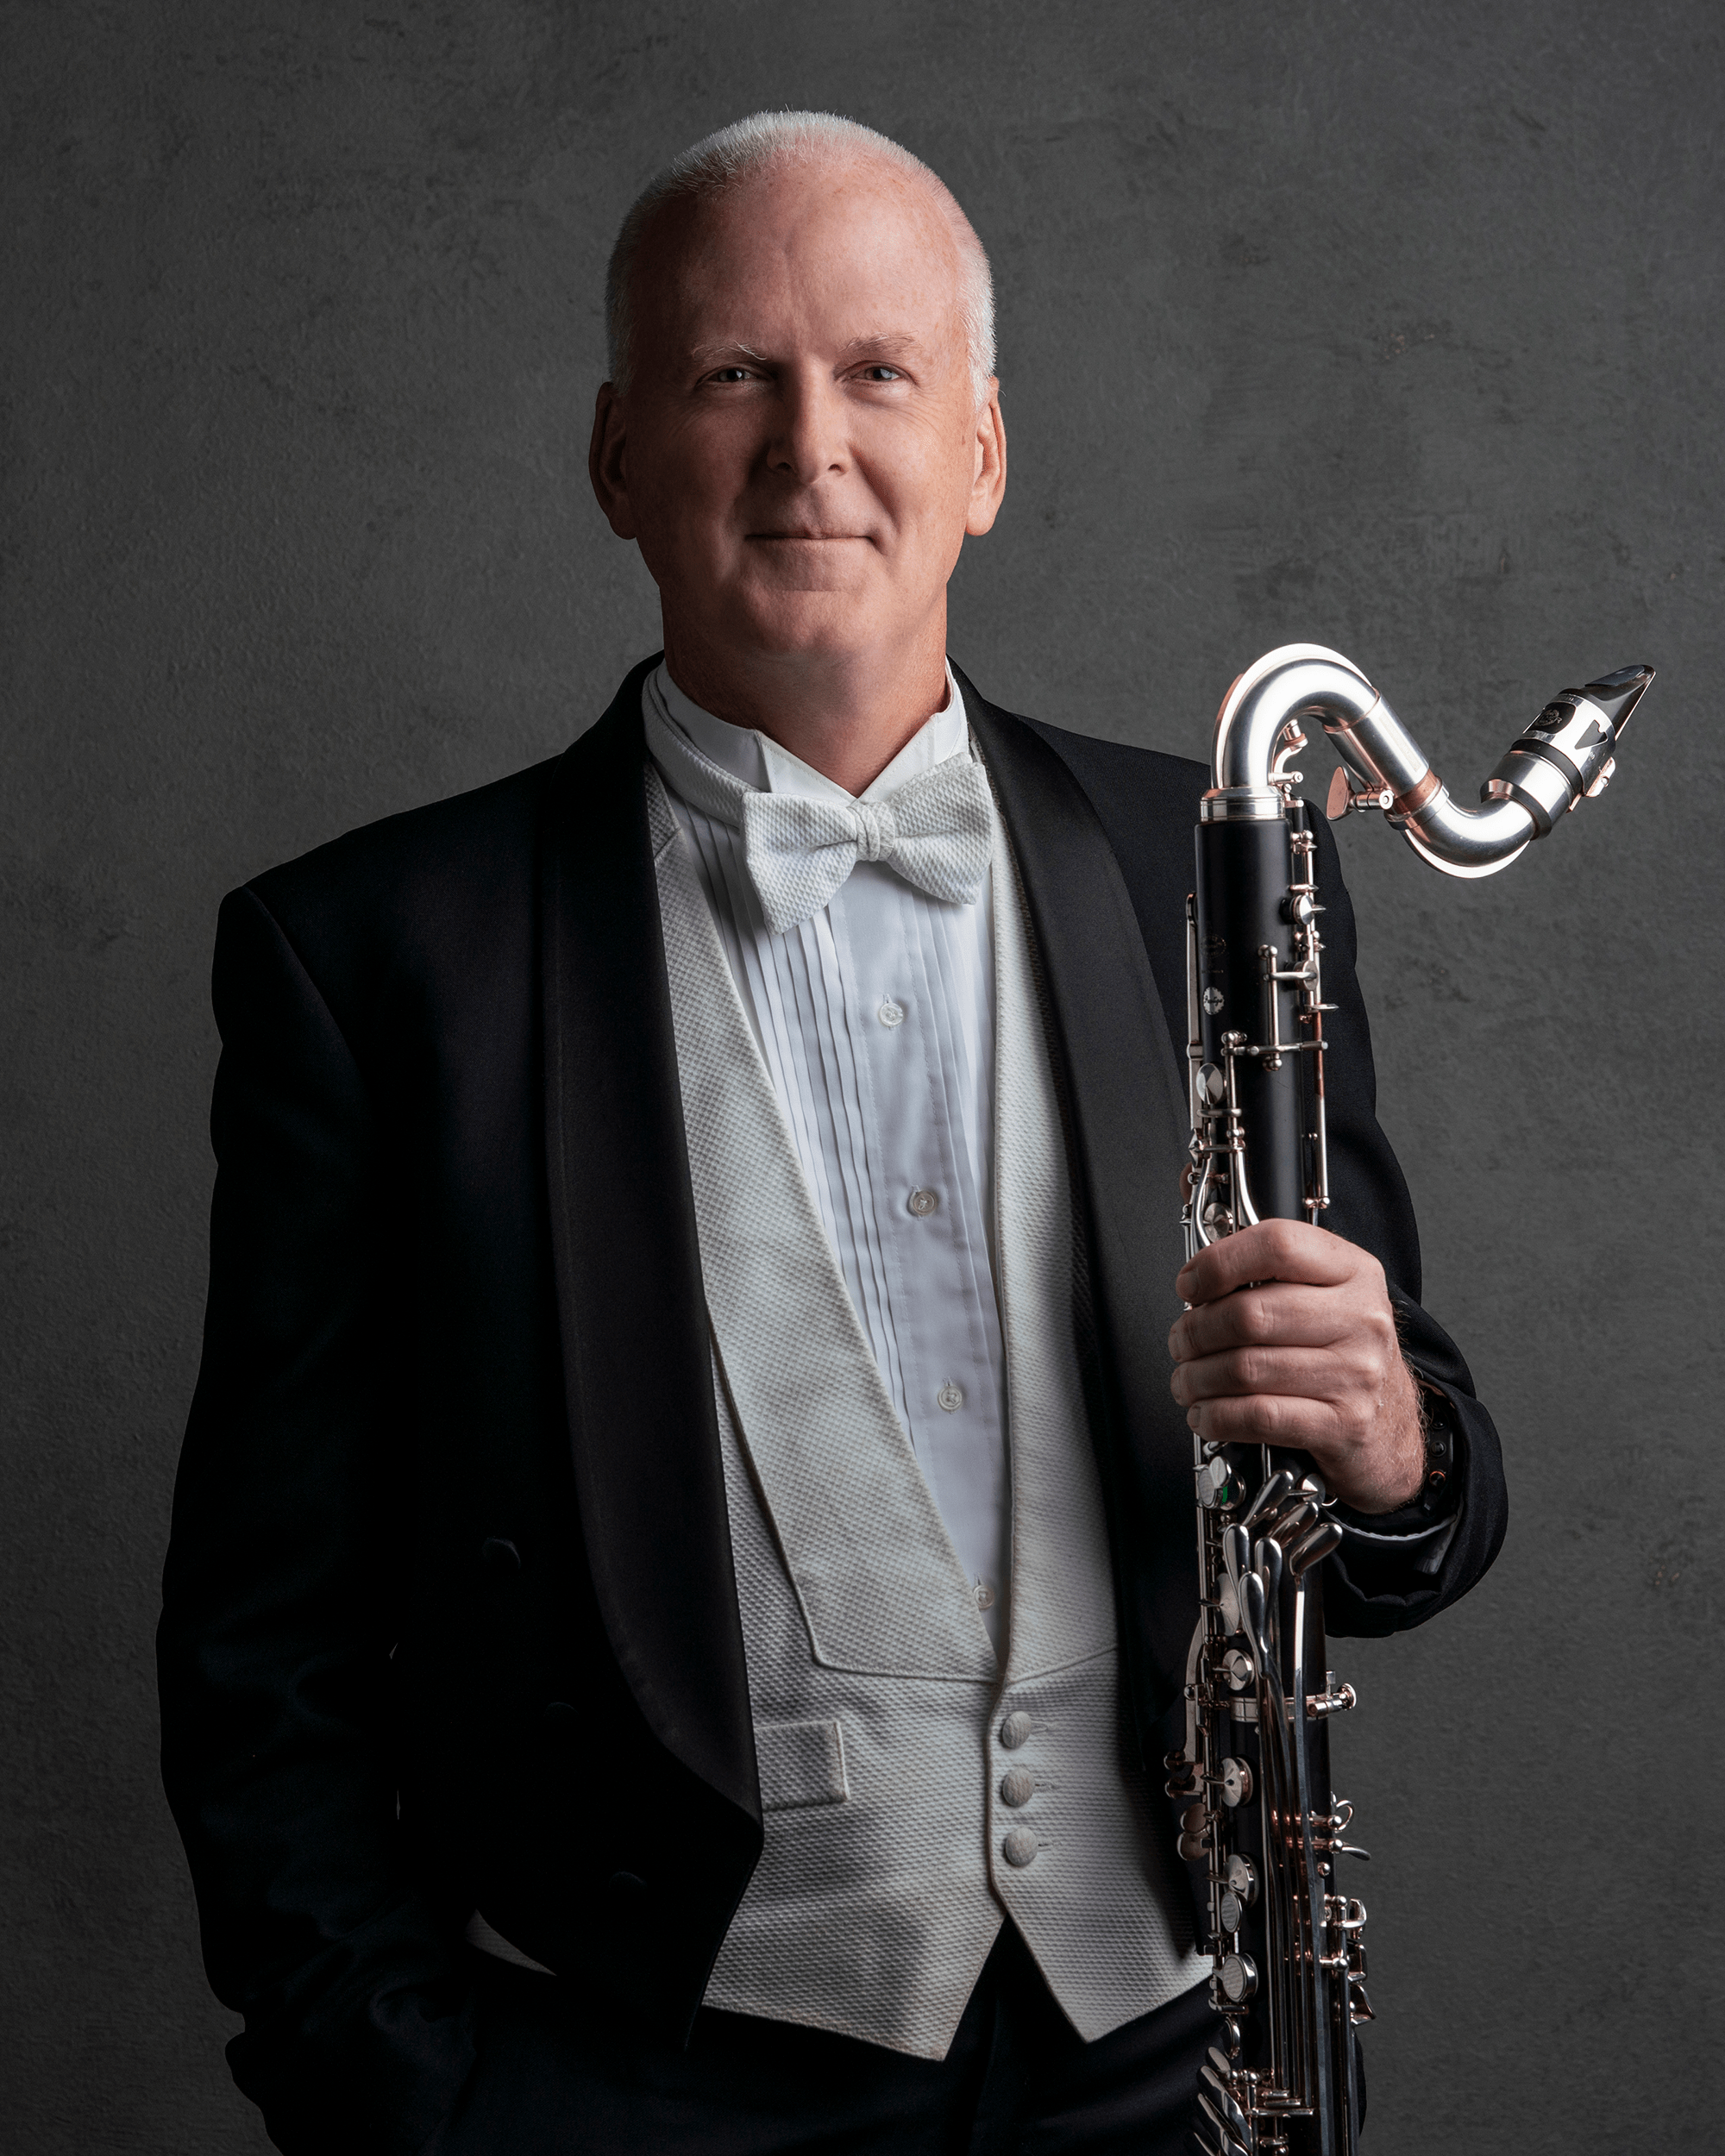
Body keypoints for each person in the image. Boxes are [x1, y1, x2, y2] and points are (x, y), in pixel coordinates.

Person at [158, 111, 1506, 2156]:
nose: (811, 447)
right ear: (618, 457)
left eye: (879, 371)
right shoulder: (372, 957)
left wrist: (1388, 1440)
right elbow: (266, 1644)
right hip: (628, 2081)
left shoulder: (1214, 868)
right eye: (733, 374)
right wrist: (421, 2097)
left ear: (983, 450)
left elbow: (1408, 1516)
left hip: (1168, 2061)